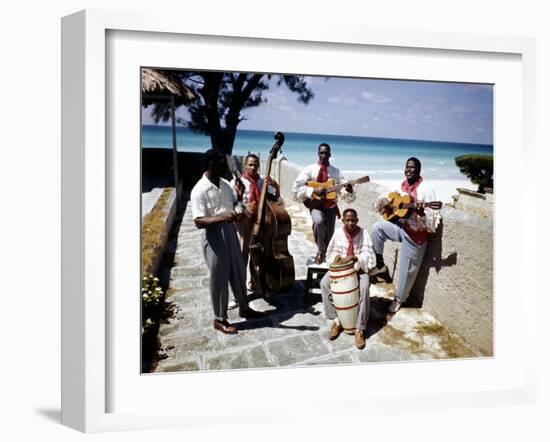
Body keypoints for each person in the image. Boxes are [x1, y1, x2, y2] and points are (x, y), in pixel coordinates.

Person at [190, 149, 264, 334]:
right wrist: (223, 217)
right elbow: (199, 221)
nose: (226, 165)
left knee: (238, 270)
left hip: (230, 231)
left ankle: (244, 307)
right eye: (222, 162)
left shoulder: (225, 184)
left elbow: (234, 204)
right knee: (219, 278)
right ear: (211, 164)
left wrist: (241, 207)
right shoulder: (199, 189)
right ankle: (220, 319)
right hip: (214, 236)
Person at [370, 157, 441, 314]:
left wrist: (421, 214)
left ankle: (399, 299)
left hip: (416, 236)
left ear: (419, 170)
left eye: (413, 168)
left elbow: (432, 223)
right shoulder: (401, 185)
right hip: (401, 227)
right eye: (407, 167)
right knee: (377, 229)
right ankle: (380, 264)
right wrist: (387, 205)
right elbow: (387, 198)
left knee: (406, 271)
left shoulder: (426, 190)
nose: (409, 170)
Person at [319, 208, 376, 350]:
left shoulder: (364, 234)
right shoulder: (338, 233)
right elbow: (330, 251)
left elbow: (369, 255)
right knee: (324, 283)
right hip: (341, 269)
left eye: (353, 220)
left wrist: (355, 258)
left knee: (364, 287)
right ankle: (336, 320)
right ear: (343, 220)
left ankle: (360, 328)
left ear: (357, 220)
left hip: (358, 269)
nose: (350, 223)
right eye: (347, 220)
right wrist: (336, 258)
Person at [291, 143, 356, 264]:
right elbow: (296, 188)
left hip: (330, 207)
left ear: (330, 155)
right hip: (315, 205)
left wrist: (349, 190)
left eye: (326, 153)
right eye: (321, 153)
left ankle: (326, 254)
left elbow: (342, 191)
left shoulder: (336, 172)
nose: (324, 155)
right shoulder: (309, 169)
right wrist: (312, 190)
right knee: (318, 222)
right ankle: (320, 251)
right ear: (318, 153)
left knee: (329, 235)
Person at [231, 154, 281, 295]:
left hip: (260, 222)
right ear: (245, 165)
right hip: (244, 222)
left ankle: (254, 282)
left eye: (256, 165)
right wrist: (244, 208)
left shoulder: (262, 182)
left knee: (258, 254)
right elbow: (232, 203)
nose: (253, 167)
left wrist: (276, 187)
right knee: (243, 254)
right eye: (250, 164)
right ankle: (239, 291)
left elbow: (275, 200)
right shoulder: (238, 182)